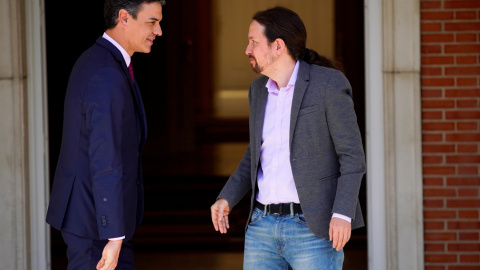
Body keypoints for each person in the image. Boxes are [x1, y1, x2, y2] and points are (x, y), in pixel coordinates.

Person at [210, 6, 366, 270]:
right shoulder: (258, 90)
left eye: (253, 42)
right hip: (261, 227)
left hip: (313, 229)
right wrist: (226, 197)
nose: (247, 49)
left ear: (278, 46)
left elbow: (352, 157)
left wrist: (342, 214)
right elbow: (254, 153)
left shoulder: (328, 84)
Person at [46, 0, 164, 269]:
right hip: (96, 229)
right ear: (124, 17)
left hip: (96, 223)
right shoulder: (106, 73)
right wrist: (113, 234)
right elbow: (105, 158)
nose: (159, 31)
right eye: (152, 22)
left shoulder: (103, 62)